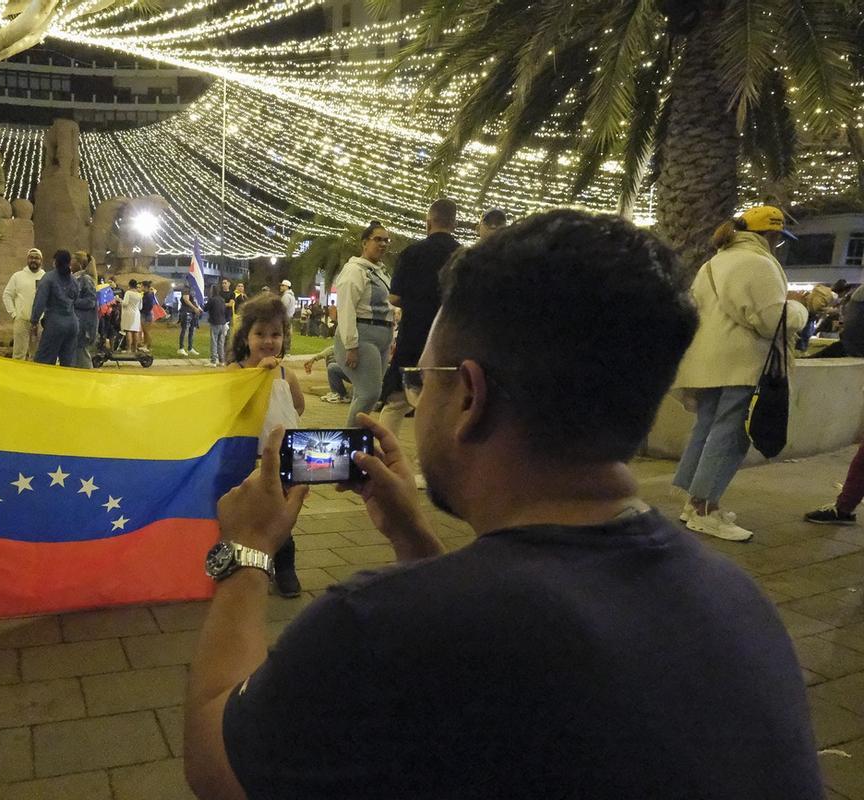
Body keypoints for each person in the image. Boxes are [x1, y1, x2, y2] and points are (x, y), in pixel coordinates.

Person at [184, 209, 821, 800]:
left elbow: (216, 762)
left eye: (422, 379)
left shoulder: (376, 627)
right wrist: (416, 540)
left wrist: (247, 555)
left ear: (469, 396)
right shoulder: (742, 605)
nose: (419, 397)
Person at [672, 206, 812, 542]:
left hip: (708, 364)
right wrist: (799, 309)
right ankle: (706, 510)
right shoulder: (756, 263)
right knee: (730, 436)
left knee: (706, 430)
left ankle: (692, 505)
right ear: (771, 235)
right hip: (741, 363)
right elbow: (770, 319)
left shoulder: (713, 263)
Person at [227, 296, 305, 597]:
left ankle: (285, 567)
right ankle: (246, 567)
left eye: (276, 334)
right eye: (260, 334)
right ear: (246, 337)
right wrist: (257, 374)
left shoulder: (287, 375)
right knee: (246, 513)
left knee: (280, 513)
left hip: (281, 458)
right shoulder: (235, 371)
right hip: (245, 458)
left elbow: (297, 407)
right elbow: (232, 406)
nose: (268, 341)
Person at [379, 198, 460, 441]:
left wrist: (416, 302)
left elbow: (394, 297)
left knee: (396, 403)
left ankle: (385, 458)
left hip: (414, 335)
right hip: (449, 339)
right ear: (454, 224)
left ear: (428, 223)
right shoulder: (464, 255)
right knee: (445, 405)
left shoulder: (412, 252)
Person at [333, 221, 396, 424]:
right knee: (369, 394)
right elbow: (346, 309)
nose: (383, 244)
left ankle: (355, 441)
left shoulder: (381, 271)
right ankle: (350, 440)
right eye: (378, 239)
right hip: (362, 336)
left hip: (382, 337)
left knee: (367, 394)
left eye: (386, 240)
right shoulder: (354, 270)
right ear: (364, 243)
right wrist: (351, 345)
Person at [31, 249, 80, 366]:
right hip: (73, 324)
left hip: (55, 324)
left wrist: (34, 321)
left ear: (55, 262)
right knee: (68, 363)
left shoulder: (48, 278)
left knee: (44, 361)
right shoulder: (74, 280)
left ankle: (45, 384)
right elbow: (76, 299)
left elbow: (40, 302)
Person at [1, 247, 46, 360]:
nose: (34, 260)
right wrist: (14, 314)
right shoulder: (17, 276)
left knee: (37, 356)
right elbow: (7, 295)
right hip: (22, 321)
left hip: (40, 323)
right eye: (31, 258)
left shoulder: (46, 277)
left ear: (41, 261)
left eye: (36, 258)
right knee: (18, 355)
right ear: (27, 259)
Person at [70, 251, 98, 368]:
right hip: (75, 321)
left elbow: (90, 301)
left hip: (83, 324)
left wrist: (71, 302)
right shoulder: (75, 278)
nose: (70, 263)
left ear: (79, 263)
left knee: (82, 355)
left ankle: (88, 379)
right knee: (74, 355)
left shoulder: (85, 279)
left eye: (72, 261)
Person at [204, 280, 230, 367]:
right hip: (223, 323)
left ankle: (213, 361)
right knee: (221, 342)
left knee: (214, 341)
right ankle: (222, 361)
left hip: (215, 322)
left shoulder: (212, 300)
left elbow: (205, 309)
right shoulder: (222, 299)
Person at [178, 285, 202, 356]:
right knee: (184, 330)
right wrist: (195, 308)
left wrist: (198, 308)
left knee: (192, 330)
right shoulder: (186, 289)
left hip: (192, 313)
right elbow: (186, 300)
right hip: (186, 312)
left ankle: (190, 348)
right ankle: (181, 348)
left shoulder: (192, 289)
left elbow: (194, 301)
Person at [120, 279, 144, 351]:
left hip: (129, 313)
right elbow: (140, 307)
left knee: (128, 331)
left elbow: (125, 303)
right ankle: (135, 348)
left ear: (129, 285)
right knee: (135, 331)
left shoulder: (128, 293)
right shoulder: (139, 294)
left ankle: (129, 349)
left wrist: (120, 300)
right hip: (136, 314)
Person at [141, 281, 158, 349]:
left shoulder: (149, 295)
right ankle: (145, 344)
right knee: (145, 331)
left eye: (142, 286)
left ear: (145, 287)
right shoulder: (146, 294)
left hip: (146, 315)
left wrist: (143, 310)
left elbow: (149, 305)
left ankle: (147, 345)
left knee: (147, 331)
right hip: (146, 314)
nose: (141, 287)